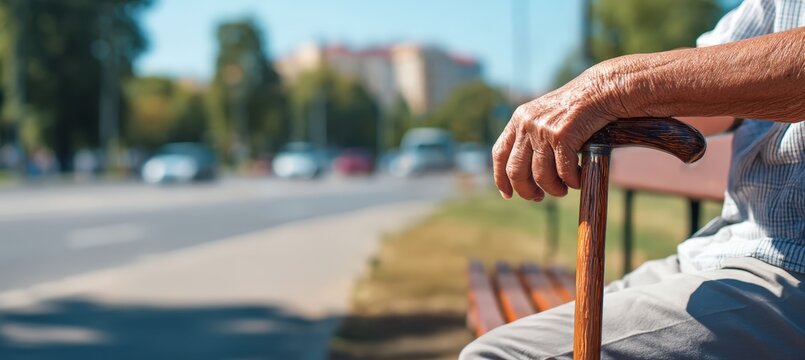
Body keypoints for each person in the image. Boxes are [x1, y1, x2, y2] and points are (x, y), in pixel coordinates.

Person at [461, 0, 805, 359]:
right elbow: (712, 94)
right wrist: (586, 109)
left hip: (790, 268)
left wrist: (615, 88)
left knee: (496, 355)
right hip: (724, 249)